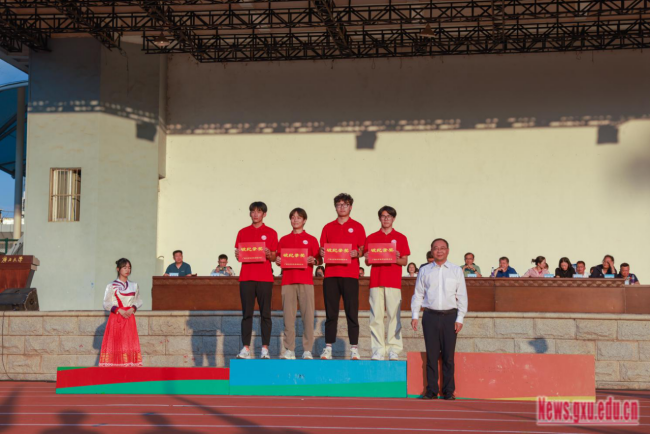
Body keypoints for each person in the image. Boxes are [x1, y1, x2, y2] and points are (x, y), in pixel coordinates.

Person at [411, 239, 468, 400]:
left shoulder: (456, 270)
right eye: (436, 248)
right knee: (431, 355)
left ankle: (449, 390)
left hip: (450, 317)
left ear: (448, 251)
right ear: (432, 251)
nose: (439, 251)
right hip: (430, 316)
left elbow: (462, 295)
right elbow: (418, 294)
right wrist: (415, 315)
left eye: (442, 248)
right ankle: (431, 390)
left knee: (448, 356)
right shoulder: (424, 270)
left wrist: (460, 318)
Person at [319, 193, 366, 360]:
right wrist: (322, 252)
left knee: (351, 312)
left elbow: (363, 249)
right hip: (331, 275)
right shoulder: (328, 227)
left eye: (345, 205)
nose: (342, 207)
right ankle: (328, 348)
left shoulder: (358, 227)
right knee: (331, 313)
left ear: (350, 207)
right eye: (339, 205)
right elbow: (322, 249)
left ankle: (354, 348)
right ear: (335, 207)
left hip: (350, 275)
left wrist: (357, 252)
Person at [363, 206, 410, 361]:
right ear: (379, 218)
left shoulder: (401, 237)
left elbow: (404, 261)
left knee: (393, 316)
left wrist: (395, 257)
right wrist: (369, 256)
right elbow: (367, 261)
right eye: (383, 216)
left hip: (393, 282)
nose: (386, 219)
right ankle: (378, 350)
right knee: (375, 317)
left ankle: (393, 349)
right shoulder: (372, 237)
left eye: (389, 216)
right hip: (376, 281)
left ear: (393, 218)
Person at [234, 201, 278, 360]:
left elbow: (275, 257)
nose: (255, 214)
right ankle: (246, 348)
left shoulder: (271, 232)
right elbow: (239, 254)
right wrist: (238, 255)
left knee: (266, 314)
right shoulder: (242, 232)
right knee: (247, 314)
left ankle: (265, 348)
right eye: (253, 211)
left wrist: (269, 254)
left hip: (265, 278)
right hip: (246, 277)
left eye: (259, 211)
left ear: (264, 214)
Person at [275, 207, 321, 360]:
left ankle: (307, 350)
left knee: (308, 317)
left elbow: (319, 260)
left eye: (299, 217)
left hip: (306, 281)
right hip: (288, 281)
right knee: (288, 318)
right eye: (293, 217)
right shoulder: (284, 240)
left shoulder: (311, 239)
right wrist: (278, 260)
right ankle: (290, 349)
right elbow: (278, 259)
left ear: (304, 220)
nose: (295, 220)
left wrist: (313, 260)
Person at [100, 258, 143, 367]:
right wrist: (119, 310)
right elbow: (106, 303)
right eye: (124, 267)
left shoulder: (134, 285)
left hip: (129, 317)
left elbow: (138, 301)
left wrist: (132, 309)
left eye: (129, 267)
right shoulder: (111, 286)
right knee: (117, 343)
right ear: (118, 269)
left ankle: (129, 369)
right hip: (116, 317)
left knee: (128, 343)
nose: (127, 270)